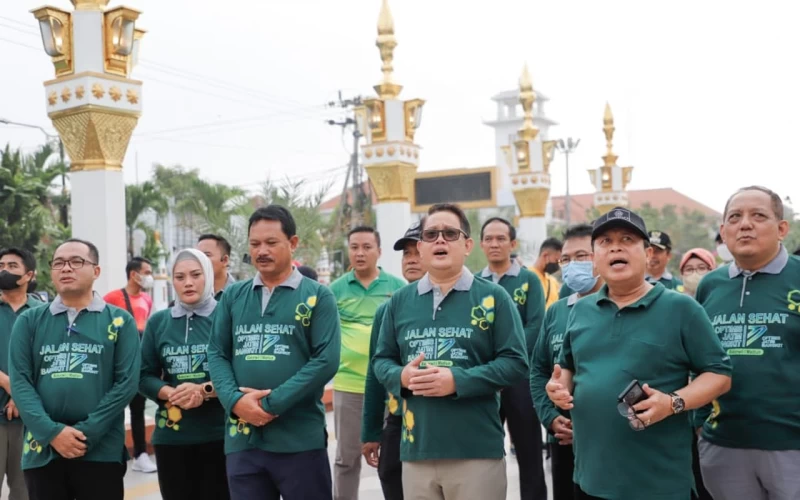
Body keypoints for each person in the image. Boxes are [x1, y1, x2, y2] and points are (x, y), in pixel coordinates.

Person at [545, 207, 732, 500]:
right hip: (590, 479)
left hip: (657, 483)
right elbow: (567, 366)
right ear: (594, 260)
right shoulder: (580, 310)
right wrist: (559, 388)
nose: (616, 246)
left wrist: (673, 403)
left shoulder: (681, 309)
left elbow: (719, 375)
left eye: (628, 239)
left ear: (647, 254)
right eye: (605, 242)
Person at [373, 203, 529, 499]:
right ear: (420, 247)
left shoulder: (494, 297)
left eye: (450, 233)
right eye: (431, 234)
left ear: (468, 245)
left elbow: (516, 362)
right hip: (416, 448)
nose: (440, 240)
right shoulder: (399, 302)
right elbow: (381, 361)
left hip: (475, 450)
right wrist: (402, 377)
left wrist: (457, 381)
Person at [208, 205, 341, 500]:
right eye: (255, 244)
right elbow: (217, 352)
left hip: (299, 441)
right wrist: (236, 402)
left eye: (271, 243)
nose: (262, 251)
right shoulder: (233, 296)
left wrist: (270, 404)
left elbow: (326, 361)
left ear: (292, 244)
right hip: (243, 442)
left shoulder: (318, 296)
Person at [9, 238, 141, 500]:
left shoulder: (119, 321)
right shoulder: (30, 320)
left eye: (76, 261)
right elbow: (21, 382)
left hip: (101, 449)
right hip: (42, 450)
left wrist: (87, 433)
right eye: (58, 263)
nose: (66, 268)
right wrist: (52, 433)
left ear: (96, 271)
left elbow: (126, 383)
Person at [695, 186, 800, 500]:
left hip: (791, 446)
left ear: (782, 228)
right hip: (723, 444)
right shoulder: (709, 286)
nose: (745, 224)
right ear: (723, 231)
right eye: (735, 217)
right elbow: (697, 360)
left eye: (758, 216)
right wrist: (699, 422)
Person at [139, 249, 229, 500]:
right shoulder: (158, 322)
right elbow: (143, 375)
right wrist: (171, 392)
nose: (188, 282)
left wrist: (204, 391)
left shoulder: (226, 317)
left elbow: (240, 373)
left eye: (195, 274)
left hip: (220, 435)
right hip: (172, 436)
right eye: (179, 277)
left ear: (208, 276)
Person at [330, 226, 405, 500]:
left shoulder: (398, 289)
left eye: (366, 247)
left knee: (394, 459)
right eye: (354, 247)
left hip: (389, 387)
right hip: (348, 386)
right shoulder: (334, 290)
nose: (360, 253)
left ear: (379, 251)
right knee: (347, 459)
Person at [531, 223, 603, 500]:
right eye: (566, 259)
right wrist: (549, 418)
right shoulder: (557, 312)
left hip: (608, 442)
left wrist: (588, 427)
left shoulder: (622, 307)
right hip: (562, 439)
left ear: (600, 255)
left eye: (582, 257)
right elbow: (539, 371)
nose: (573, 265)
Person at [479, 217, 547, 500]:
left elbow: (535, 326)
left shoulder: (528, 279)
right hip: (484, 379)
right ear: (481, 244)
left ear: (512, 243)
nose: (495, 244)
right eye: (489, 239)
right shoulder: (474, 283)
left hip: (520, 378)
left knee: (529, 451)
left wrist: (505, 359)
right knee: (483, 454)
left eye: (501, 238)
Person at [362, 221, 426, 500]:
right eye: (406, 254)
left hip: (441, 418)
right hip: (398, 418)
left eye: (416, 252)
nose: (411, 259)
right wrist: (370, 431)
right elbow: (375, 372)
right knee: (391, 477)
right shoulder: (387, 310)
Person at [103, 257, 157, 473]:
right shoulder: (112, 297)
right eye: (146, 271)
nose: (149, 276)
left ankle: (140, 454)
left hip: (137, 361)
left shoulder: (146, 298)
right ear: (134, 274)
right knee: (112, 407)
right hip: (116, 362)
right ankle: (111, 451)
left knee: (138, 408)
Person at [0, 247, 41, 500]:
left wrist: (20, 394)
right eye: (0, 265)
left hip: (29, 420)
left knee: (24, 491)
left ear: (29, 275)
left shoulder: (43, 314)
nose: (4, 270)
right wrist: (7, 382)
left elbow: (47, 360)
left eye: (12, 266)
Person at [197, 234, 236, 300]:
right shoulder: (192, 293)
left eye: (207, 255)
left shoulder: (241, 294)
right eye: (198, 255)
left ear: (225, 260)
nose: (200, 260)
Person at [530, 237, 563, 308]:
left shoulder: (553, 281)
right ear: (545, 256)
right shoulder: (527, 277)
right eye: (557, 261)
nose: (558, 265)